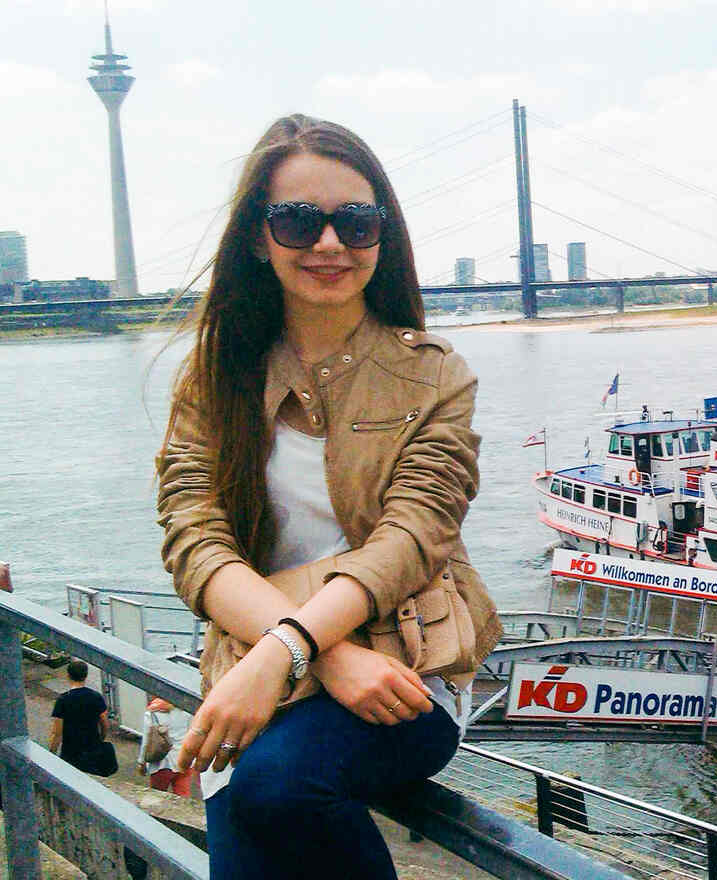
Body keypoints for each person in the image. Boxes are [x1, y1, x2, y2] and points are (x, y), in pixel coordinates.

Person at [155, 115, 501, 880]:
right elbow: (194, 541)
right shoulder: (213, 380)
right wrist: (311, 655)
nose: (330, 244)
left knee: (277, 787)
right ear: (257, 236)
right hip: (260, 684)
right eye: (298, 220)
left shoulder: (435, 376)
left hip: (401, 675)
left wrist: (289, 651)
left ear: (384, 235)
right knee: (255, 801)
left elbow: (413, 540)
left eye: (357, 220)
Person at [48, 660, 108, 775]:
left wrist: (52, 753)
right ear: (86, 675)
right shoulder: (96, 697)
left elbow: (57, 733)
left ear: (68, 676)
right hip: (92, 749)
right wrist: (101, 739)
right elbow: (104, 723)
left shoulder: (63, 700)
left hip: (71, 752)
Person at [136, 697, 195, 796]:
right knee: (182, 797)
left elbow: (146, 741)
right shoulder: (187, 711)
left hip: (162, 763)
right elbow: (192, 735)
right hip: (184, 760)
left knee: (157, 796)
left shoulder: (152, 713)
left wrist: (141, 762)